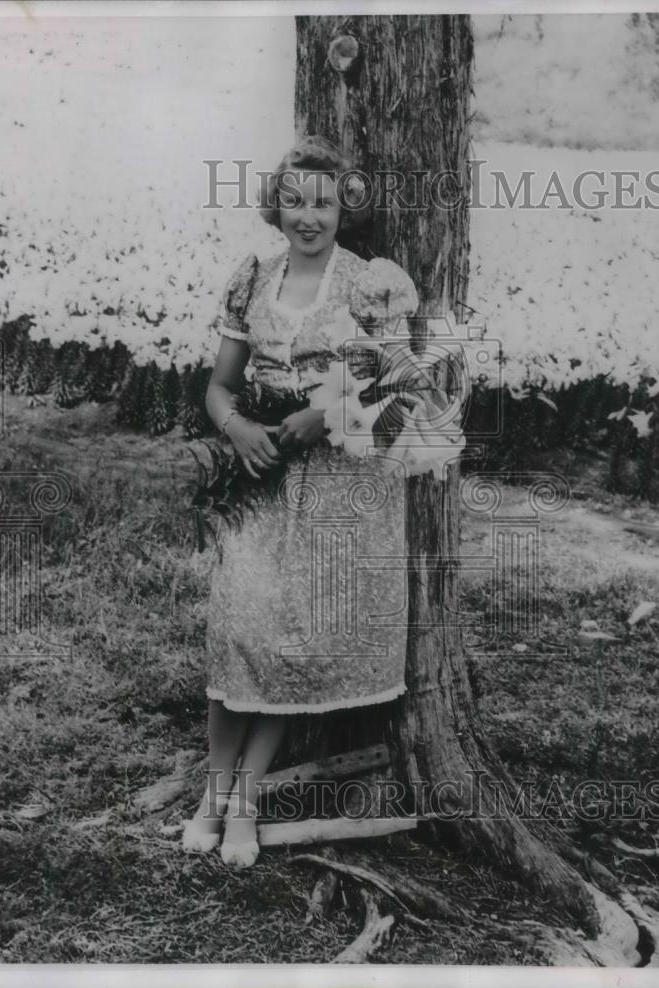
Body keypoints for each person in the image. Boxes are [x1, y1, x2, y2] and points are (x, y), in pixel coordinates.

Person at [182, 135, 418, 867]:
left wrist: (326, 414)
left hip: (341, 488)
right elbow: (218, 386)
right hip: (263, 475)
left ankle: (244, 803)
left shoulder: (372, 284)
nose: (307, 217)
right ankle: (210, 795)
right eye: (294, 202)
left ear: (342, 209)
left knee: (289, 644)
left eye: (322, 203)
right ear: (275, 208)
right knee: (237, 629)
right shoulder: (252, 277)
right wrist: (239, 427)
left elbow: (405, 390)